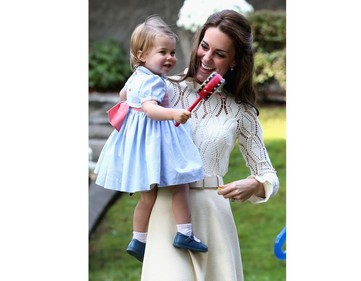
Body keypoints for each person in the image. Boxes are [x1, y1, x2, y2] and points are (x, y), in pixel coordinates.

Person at [141, 10, 280, 281]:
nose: (206, 58)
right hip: (166, 209)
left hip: (213, 215)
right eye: (204, 46)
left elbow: (268, 174)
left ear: (235, 61)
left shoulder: (241, 111)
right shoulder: (161, 90)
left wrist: (255, 184)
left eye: (219, 53)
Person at [94, 15, 208, 263]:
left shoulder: (137, 76)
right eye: (163, 52)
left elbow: (124, 95)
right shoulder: (154, 81)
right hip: (156, 139)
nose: (170, 58)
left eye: (173, 52)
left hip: (140, 143)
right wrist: (174, 113)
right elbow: (151, 110)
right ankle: (184, 233)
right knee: (180, 184)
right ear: (142, 54)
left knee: (148, 196)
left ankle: (139, 239)